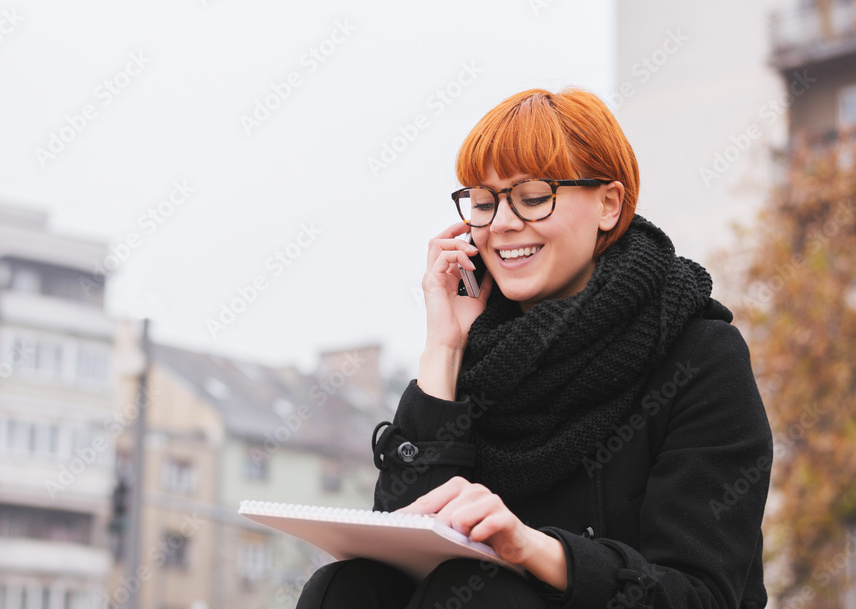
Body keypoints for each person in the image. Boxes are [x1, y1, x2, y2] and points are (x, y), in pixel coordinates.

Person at [295, 88, 772, 609]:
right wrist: (445, 347)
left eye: (533, 196)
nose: (500, 224)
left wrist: (535, 550)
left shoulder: (699, 354)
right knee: (346, 588)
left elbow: (703, 595)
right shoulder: (477, 356)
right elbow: (406, 543)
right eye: (482, 201)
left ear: (609, 205)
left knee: (478, 594)